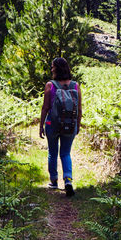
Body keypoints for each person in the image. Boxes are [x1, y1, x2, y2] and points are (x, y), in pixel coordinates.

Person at [39, 57, 82, 197]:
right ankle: (68, 180)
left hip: (52, 123)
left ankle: (54, 181)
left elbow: (45, 108)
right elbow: (79, 109)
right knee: (65, 153)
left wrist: (41, 125)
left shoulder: (50, 85)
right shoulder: (76, 86)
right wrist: (78, 125)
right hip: (70, 124)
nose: (51, 69)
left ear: (56, 68)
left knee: (52, 152)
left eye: (52, 67)